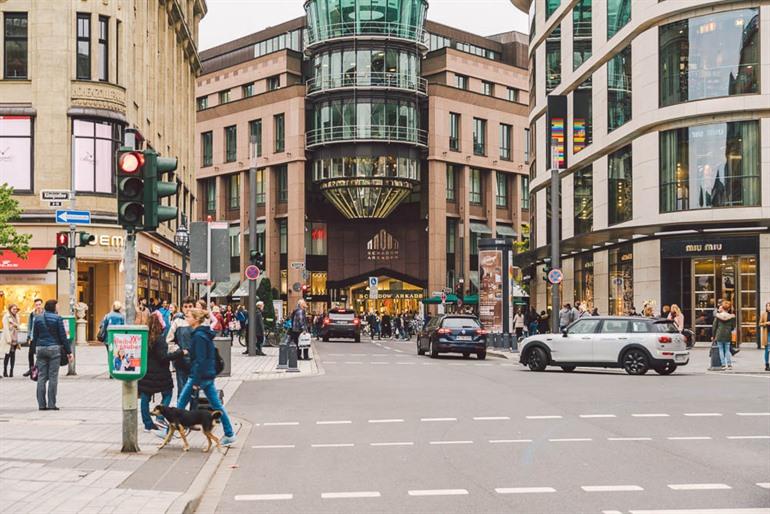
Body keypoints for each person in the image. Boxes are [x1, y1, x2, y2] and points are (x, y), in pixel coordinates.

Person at [165, 307, 236, 446]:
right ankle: (229, 433)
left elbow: (200, 359)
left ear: (196, 319)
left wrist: (196, 380)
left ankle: (169, 430)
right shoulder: (202, 334)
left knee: (181, 403)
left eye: (189, 316)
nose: (186, 318)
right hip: (206, 374)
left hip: (199, 375)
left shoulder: (199, 336)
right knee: (216, 406)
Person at [139, 312, 182, 431]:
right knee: (168, 393)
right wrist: (179, 353)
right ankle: (160, 417)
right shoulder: (160, 340)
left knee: (145, 397)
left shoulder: (144, 338)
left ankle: (147, 424)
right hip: (161, 373)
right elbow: (163, 357)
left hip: (146, 373)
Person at [32, 300, 73, 410]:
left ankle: (41, 404)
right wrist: (69, 352)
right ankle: (51, 404)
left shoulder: (37, 318)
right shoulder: (58, 318)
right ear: (53, 307)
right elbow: (63, 337)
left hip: (40, 348)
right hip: (54, 349)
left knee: (41, 377)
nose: (58, 307)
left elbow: (34, 336)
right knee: (53, 377)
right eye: (57, 305)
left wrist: (34, 351)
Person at [167, 297, 196, 407]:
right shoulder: (177, 322)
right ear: (182, 308)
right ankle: (181, 417)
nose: (188, 309)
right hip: (181, 361)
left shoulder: (198, 321)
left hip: (195, 361)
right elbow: (169, 340)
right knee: (182, 391)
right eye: (185, 306)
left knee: (195, 392)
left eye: (190, 306)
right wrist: (178, 351)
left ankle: (193, 417)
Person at [712, 300, 736, 371]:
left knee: (721, 350)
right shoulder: (731, 317)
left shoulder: (718, 316)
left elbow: (714, 327)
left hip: (719, 334)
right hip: (728, 334)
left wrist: (713, 336)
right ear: (728, 309)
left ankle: (723, 364)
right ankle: (729, 364)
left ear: (722, 307)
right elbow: (733, 326)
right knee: (727, 349)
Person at [23, 298, 44, 377]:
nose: (38, 306)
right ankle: (31, 369)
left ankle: (36, 370)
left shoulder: (44, 313)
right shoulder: (32, 314)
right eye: (36, 305)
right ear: (34, 305)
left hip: (41, 337)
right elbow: (30, 326)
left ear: (42, 305)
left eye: (39, 304)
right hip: (33, 337)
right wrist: (28, 336)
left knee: (39, 354)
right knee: (30, 354)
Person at [2, 304, 20, 377]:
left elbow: (19, 327)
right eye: (13, 309)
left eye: (16, 309)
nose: (15, 310)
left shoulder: (17, 316)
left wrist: (15, 325)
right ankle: (5, 371)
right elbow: (5, 329)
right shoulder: (6, 317)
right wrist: (9, 340)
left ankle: (11, 371)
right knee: (7, 355)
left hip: (15, 338)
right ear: (10, 309)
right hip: (9, 339)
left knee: (13, 355)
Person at [759, 302, 769, 372]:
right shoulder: (763, 314)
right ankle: (767, 365)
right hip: (767, 334)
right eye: (768, 306)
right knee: (767, 350)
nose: (769, 307)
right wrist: (766, 323)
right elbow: (760, 324)